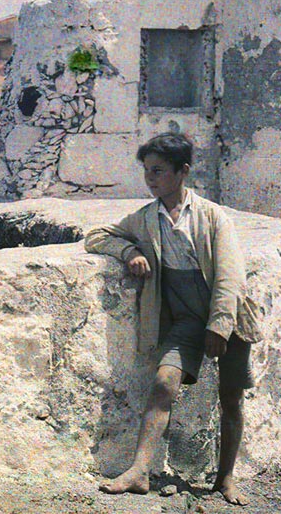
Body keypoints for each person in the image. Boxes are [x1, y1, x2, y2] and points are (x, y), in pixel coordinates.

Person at [84, 132, 253, 506]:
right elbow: (96, 237)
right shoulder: (147, 218)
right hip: (187, 320)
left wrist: (219, 326)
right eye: (147, 171)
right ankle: (139, 471)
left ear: (183, 172)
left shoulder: (211, 217)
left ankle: (225, 479)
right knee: (163, 382)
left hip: (230, 317)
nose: (150, 179)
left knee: (231, 399)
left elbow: (230, 277)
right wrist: (129, 250)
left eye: (159, 171)